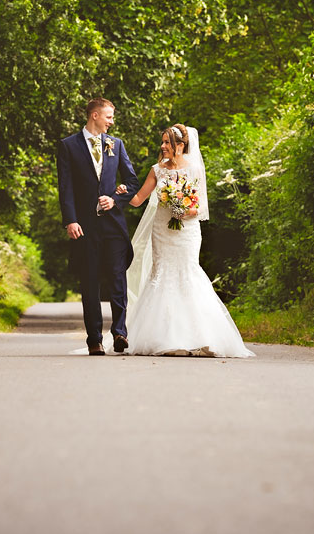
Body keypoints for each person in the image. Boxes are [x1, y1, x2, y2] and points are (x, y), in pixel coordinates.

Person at [115, 124, 255, 358]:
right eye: (162, 142)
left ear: (181, 146)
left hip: (187, 231)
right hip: (162, 230)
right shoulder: (157, 170)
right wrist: (121, 192)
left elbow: (199, 207)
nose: (163, 146)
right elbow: (138, 199)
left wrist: (182, 210)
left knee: (188, 273)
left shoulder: (195, 169)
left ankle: (201, 337)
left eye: (167, 143)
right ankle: (164, 337)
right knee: (162, 273)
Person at [56, 98, 140, 355]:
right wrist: (70, 220)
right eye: (109, 117)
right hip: (85, 226)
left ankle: (120, 333)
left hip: (113, 225)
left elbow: (132, 183)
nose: (112, 122)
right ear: (94, 115)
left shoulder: (117, 144)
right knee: (90, 281)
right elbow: (66, 187)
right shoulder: (68, 146)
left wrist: (115, 198)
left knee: (117, 278)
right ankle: (94, 339)